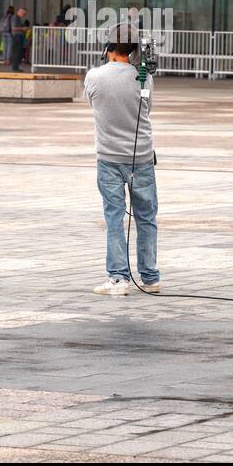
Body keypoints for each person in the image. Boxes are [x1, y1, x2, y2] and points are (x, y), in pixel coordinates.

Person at [83, 22, 159, 296]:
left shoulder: (94, 76)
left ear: (109, 48)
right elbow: (147, 108)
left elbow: (92, 102)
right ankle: (150, 277)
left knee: (114, 217)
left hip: (109, 156)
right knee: (146, 217)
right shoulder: (144, 77)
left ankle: (118, 278)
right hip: (142, 157)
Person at [10, 7, 30, 72]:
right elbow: (13, 28)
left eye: (24, 14)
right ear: (20, 11)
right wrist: (23, 29)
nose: (23, 15)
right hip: (17, 36)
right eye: (23, 13)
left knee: (19, 52)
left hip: (19, 36)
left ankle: (16, 67)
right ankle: (15, 67)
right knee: (16, 52)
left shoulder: (18, 18)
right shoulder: (15, 17)